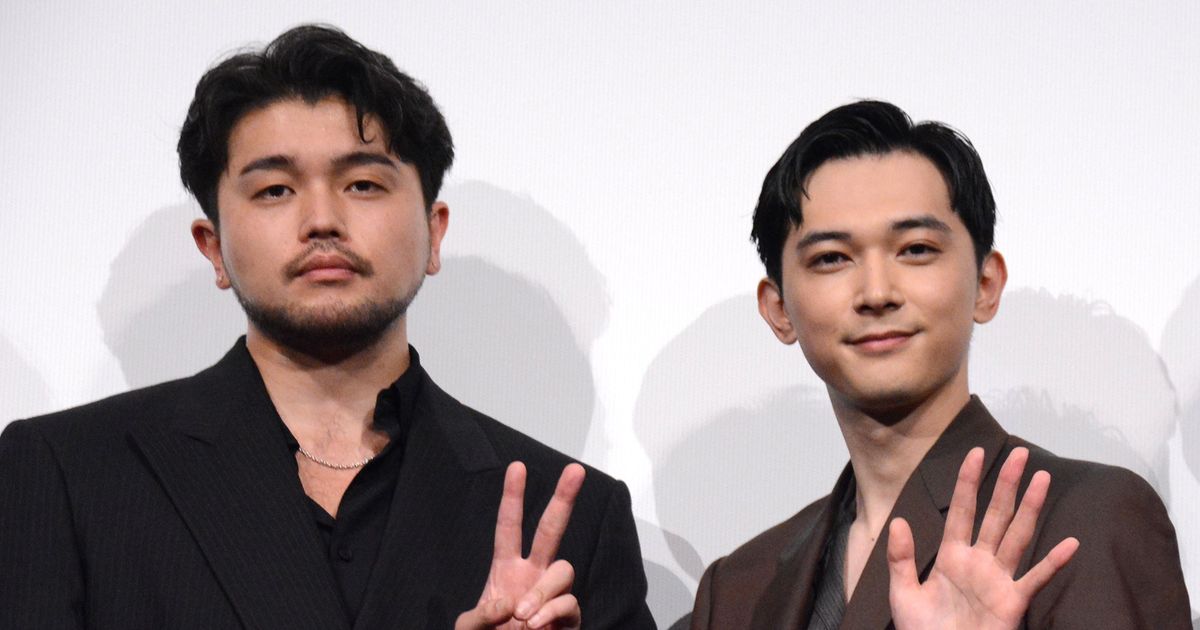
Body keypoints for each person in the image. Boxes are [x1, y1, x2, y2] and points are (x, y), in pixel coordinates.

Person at [0, 25, 653, 630]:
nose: (322, 220)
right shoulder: (68, 475)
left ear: (434, 234)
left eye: (363, 184)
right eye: (275, 190)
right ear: (213, 248)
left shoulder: (572, 517)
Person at [686, 100, 1191, 628]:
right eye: (831, 258)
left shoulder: (1086, 521)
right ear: (778, 310)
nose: (876, 292)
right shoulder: (738, 590)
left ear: (986, 285)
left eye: (916, 249)